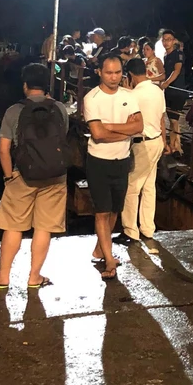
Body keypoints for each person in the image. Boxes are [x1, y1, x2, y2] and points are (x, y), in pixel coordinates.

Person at [0, 63, 69, 289]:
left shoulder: (14, 111)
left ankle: (3, 276)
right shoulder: (60, 109)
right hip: (55, 176)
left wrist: (8, 176)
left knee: (14, 226)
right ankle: (34, 277)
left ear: (25, 85)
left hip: (22, 175)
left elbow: (4, 149)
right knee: (44, 227)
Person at [83, 55, 142, 281]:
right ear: (99, 72)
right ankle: (109, 259)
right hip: (98, 161)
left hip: (122, 159)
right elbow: (97, 134)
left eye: (118, 72)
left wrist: (109, 127)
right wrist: (125, 130)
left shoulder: (129, 95)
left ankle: (100, 249)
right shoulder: (92, 98)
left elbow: (139, 126)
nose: (114, 77)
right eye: (109, 72)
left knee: (115, 209)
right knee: (102, 211)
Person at [117, 58, 166, 244]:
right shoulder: (157, 90)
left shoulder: (133, 95)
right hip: (157, 140)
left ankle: (130, 230)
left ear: (130, 75)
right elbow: (162, 118)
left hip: (142, 143)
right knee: (149, 186)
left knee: (132, 187)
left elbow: (125, 121)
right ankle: (147, 228)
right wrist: (165, 141)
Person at [159, 29, 186, 156]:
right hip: (169, 91)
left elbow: (177, 70)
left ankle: (175, 146)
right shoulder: (166, 55)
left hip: (177, 90)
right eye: (164, 40)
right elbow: (165, 73)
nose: (166, 42)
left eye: (169, 39)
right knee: (171, 119)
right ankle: (175, 144)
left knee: (174, 119)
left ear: (174, 41)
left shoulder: (178, 54)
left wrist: (167, 83)